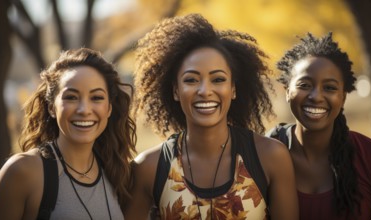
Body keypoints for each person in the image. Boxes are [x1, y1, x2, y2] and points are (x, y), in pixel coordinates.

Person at [125, 13, 298, 220]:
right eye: (191, 80)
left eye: (218, 79)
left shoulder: (270, 157)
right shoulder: (149, 168)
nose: (205, 91)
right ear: (175, 91)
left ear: (233, 89)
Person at [0, 48, 137, 219]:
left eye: (96, 98)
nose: (84, 110)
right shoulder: (23, 171)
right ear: (52, 107)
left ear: (109, 109)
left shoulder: (117, 173)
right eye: (71, 97)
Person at [267, 32, 371, 219]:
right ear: (287, 91)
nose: (316, 96)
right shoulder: (263, 155)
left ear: (343, 97)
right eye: (305, 85)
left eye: (329, 87)